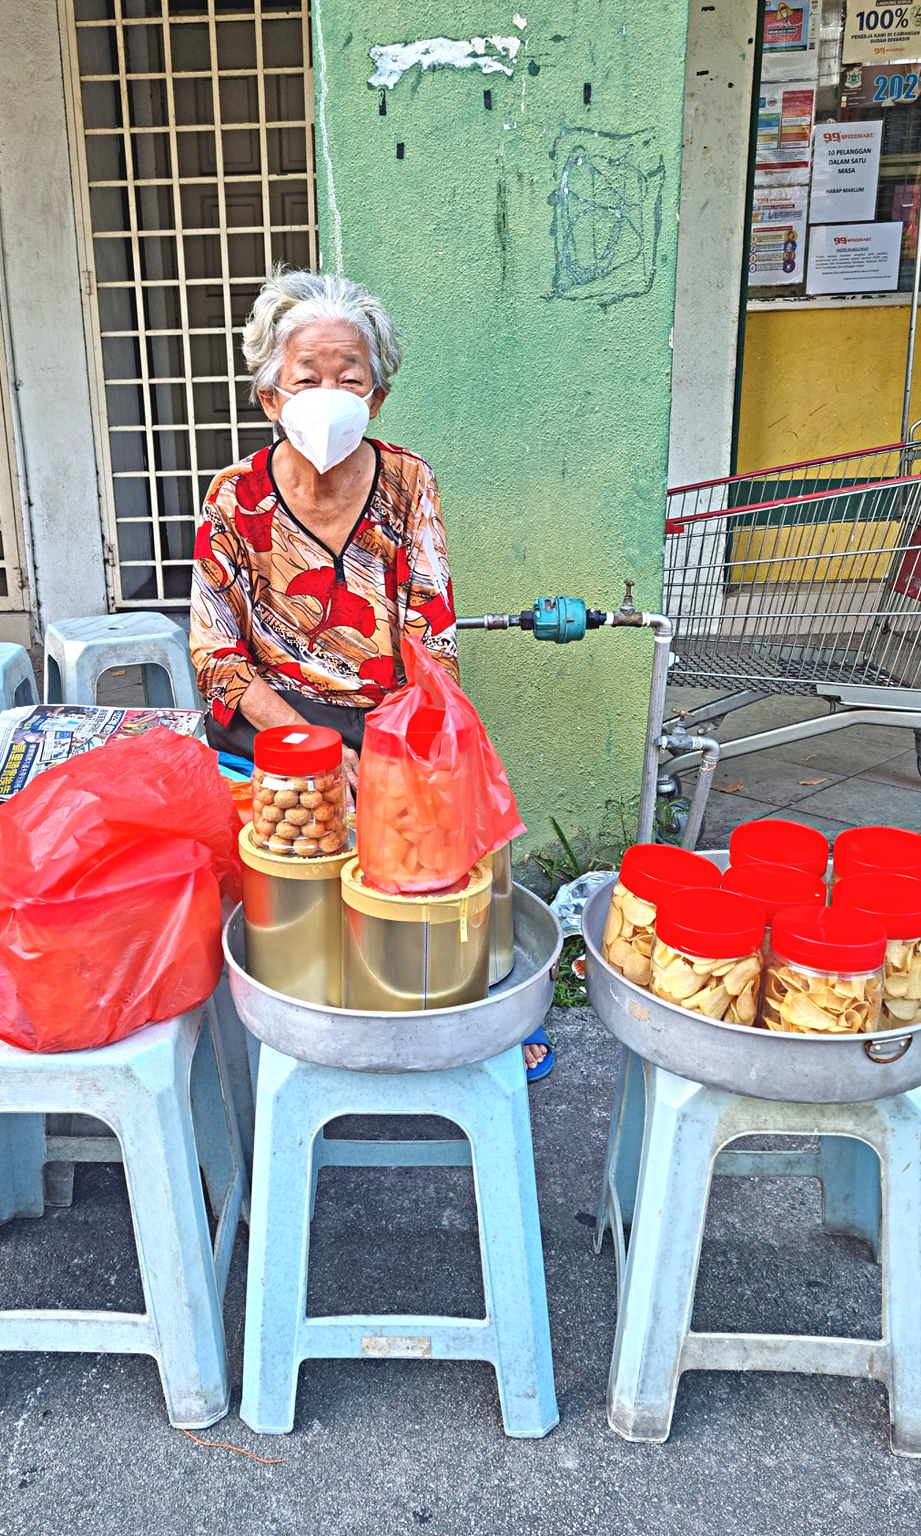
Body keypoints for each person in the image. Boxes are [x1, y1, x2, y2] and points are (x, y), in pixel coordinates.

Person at [190, 269, 551, 1079]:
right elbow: (216, 654)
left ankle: (449, 999)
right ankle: (298, 1003)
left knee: (437, 850)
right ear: (269, 397)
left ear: (377, 397)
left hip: (389, 720)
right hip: (270, 724)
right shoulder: (234, 498)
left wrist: (396, 756)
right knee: (293, 855)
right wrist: (309, 739)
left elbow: (433, 634)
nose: (328, 394)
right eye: (306, 377)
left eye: (349, 379)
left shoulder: (407, 484)